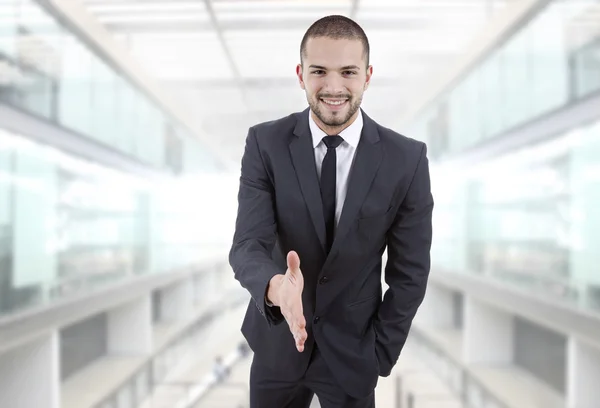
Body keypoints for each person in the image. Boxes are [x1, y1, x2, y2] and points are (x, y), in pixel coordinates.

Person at [229, 14, 433, 408]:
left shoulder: (406, 160)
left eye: (349, 72)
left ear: (368, 75)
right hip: (277, 345)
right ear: (300, 74)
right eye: (319, 71)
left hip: (355, 354)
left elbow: (410, 274)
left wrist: (379, 354)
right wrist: (275, 289)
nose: (334, 87)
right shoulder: (264, 144)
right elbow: (246, 245)